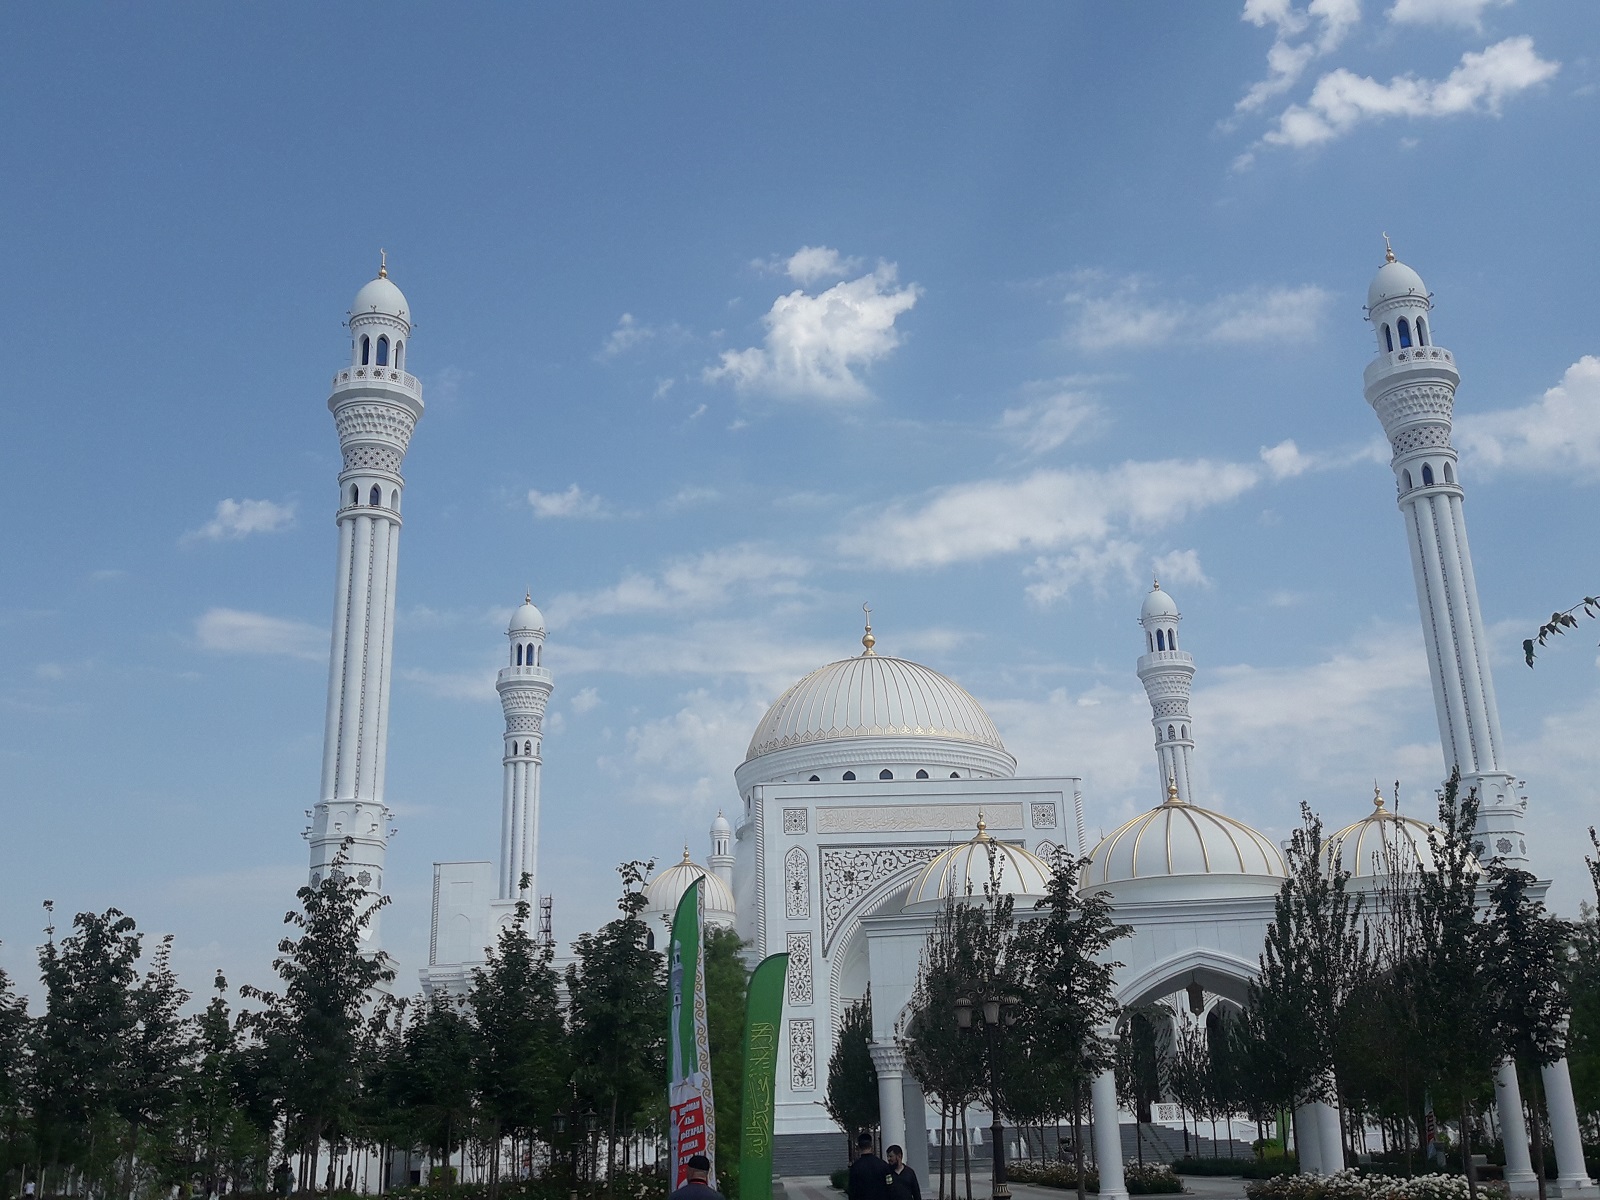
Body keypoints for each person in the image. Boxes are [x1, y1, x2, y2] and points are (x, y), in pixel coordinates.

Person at [847, 1132, 891, 1200]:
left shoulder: (855, 1167)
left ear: (859, 1147)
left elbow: (852, 1190)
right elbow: (890, 1185)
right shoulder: (883, 1165)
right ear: (871, 1146)